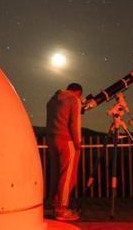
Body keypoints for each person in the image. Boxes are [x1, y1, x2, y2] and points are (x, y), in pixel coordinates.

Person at [45, 82, 83, 221]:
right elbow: (75, 123)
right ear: (78, 92)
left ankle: (52, 205)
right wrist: (78, 142)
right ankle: (61, 209)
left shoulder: (53, 100)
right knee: (67, 176)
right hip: (66, 140)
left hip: (51, 139)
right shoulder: (74, 99)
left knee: (55, 174)